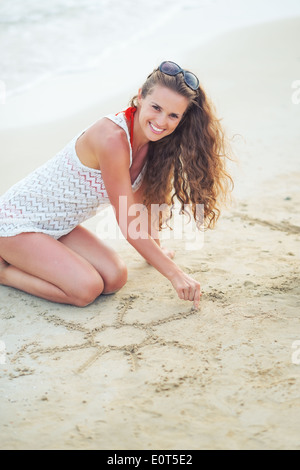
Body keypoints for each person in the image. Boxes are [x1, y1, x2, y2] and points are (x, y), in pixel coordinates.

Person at [0, 61, 232, 308]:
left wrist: (156, 249)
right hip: (16, 224)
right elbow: (128, 221)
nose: (162, 121)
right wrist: (175, 274)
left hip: (59, 225)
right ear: (141, 97)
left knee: (115, 278)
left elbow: (145, 200)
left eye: (173, 115)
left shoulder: (154, 142)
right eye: (156, 107)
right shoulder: (111, 138)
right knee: (86, 289)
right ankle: (4, 272)